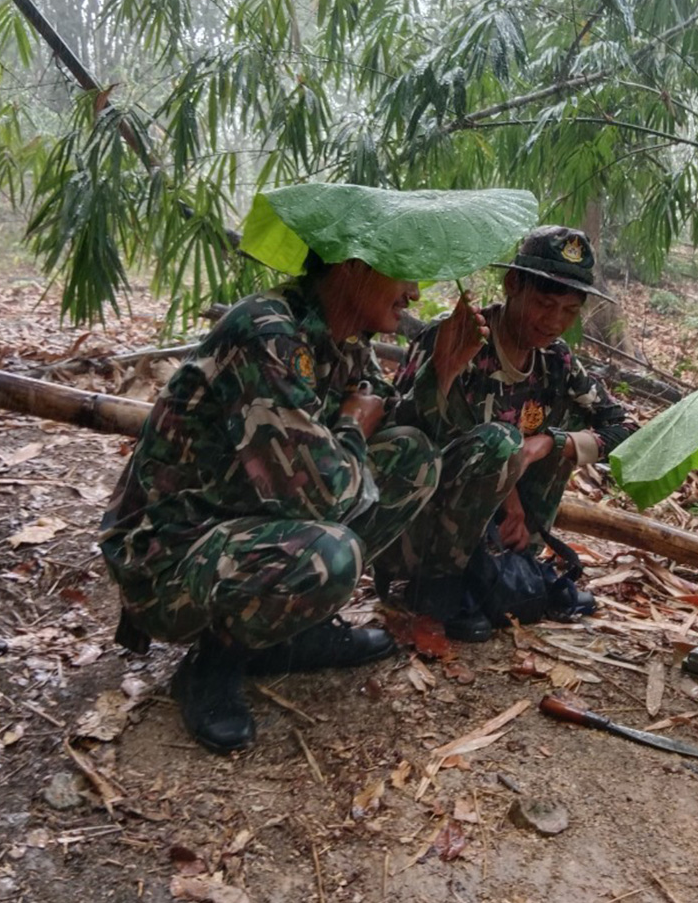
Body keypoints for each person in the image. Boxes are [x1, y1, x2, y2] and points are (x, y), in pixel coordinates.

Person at [99, 253, 490, 754]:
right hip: (169, 561)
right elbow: (321, 496)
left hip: (245, 526)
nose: (414, 291)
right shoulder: (266, 332)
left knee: (413, 457)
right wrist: (350, 425)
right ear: (353, 268)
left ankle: (292, 631)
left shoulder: (345, 340)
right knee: (332, 553)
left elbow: (393, 429)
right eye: (403, 272)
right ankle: (215, 662)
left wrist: (441, 374)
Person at [383, 226, 638, 640]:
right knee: (500, 442)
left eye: (569, 312)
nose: (554, 322)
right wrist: (443, 373)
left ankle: (512, 569)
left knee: (560, 442)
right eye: (544, 304)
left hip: (500, 525)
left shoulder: (556, 360)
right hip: (423, 527)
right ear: (512, 284)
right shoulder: (457, 337)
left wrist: (550, 443)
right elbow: (402, 439)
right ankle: (439, 586)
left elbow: (623, 428)